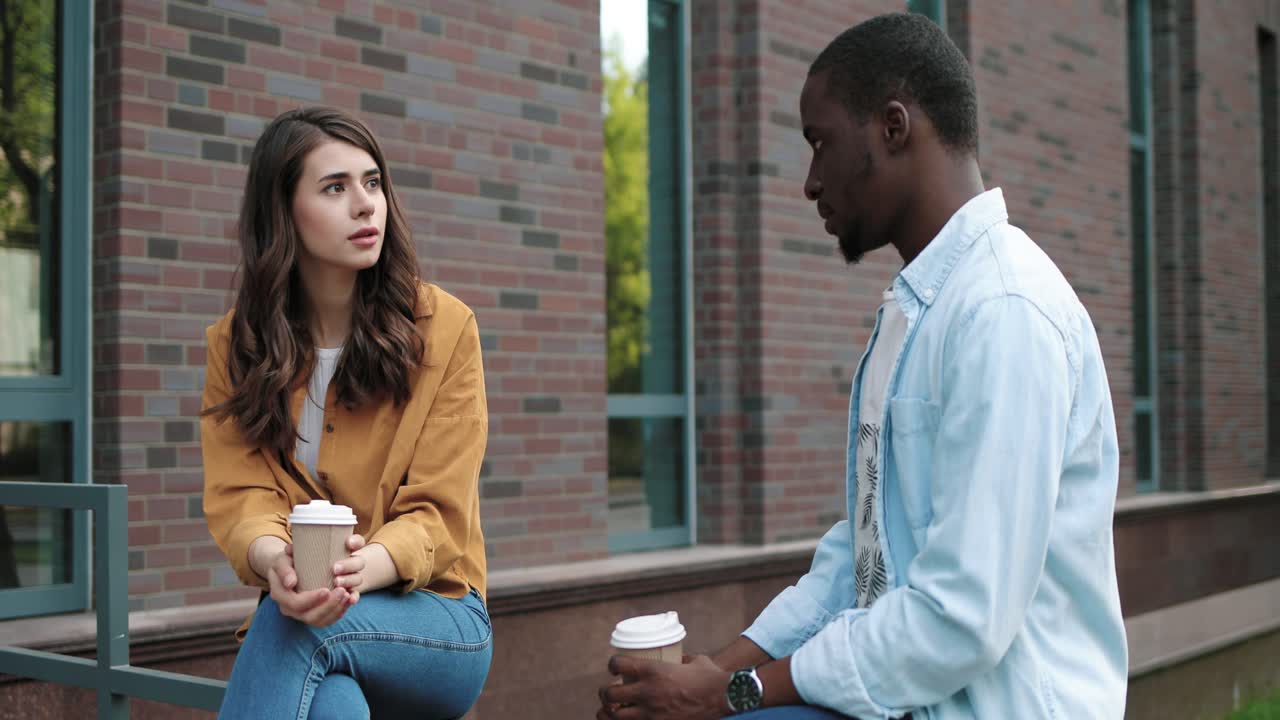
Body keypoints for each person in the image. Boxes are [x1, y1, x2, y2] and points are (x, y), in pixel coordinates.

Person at [597, 12, 1127, 720]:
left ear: (894, 127)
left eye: (821, 143)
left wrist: (730, 694)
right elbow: (864, 560)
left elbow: (960, 619)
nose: (811, 182)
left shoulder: (1004, 312)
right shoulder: (915, 314)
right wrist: (711, 674)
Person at [201, 107, 492, 720]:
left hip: (439, 616)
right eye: (336, 187)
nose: (366, 205)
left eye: (372, 182)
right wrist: (272, 559)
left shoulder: (445, 330)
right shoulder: (236, 345)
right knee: (330, 704)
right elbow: (241, 494)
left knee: (288, 631)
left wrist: (357, 573)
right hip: (306, 613)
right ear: (283, 212)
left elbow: (438, 512)